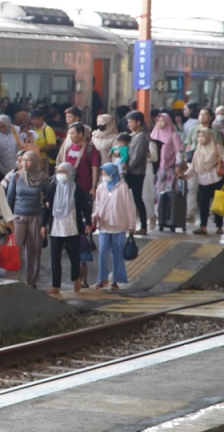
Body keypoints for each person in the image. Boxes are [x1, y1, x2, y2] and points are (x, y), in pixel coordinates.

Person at [44, 161, 90, 297]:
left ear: (70, 173)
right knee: (55, 257)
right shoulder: (53, 188)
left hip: (71, 227)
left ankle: (76, 279)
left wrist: (88, 223)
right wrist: (43, 225)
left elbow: (85, 207)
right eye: (58, 172)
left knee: (74, 256)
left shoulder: (77, 189)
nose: (60, 175)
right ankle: (55, 285)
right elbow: (47, 207)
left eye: (63, 172)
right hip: (56, 227)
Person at [7, 151, 48, 287]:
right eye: (23, 160)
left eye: (29, 160)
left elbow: (48, 199)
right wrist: (8, 219)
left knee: (34, 250)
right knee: (15, 248)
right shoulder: (16, 177)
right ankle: (12, 280)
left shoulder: (43, 178)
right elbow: (10, 199)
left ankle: (32, 281)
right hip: (18, 216)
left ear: (35, 162)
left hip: (35, 216)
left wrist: (45, 223)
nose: (25, 163)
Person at [91, 163, 133, 291]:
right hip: (104, 226)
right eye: (102, 174)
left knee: (117, 254)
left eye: (106, 174)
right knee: (102, 253)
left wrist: (131, 224)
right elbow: (97, 205)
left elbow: (129, 206)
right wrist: (95, 214)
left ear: (113, 174)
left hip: (119, 226)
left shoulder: (123, 187)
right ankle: (102, 279)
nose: (104, 177)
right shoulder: (100, 188)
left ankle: (115, 280)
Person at [188, 128, 224, 236]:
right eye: (198, 137)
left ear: (208, 136)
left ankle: (219, 226)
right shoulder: (197, 151)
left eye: (202, 136)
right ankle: (203, 227)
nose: (200, 139)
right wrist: (186, 175)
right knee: (203, 204)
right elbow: (194, 166)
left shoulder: (217, 147)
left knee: (217, 205)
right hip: (203, 181)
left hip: (216, 179)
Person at [150, 112, 185, 224]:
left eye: (162, 121)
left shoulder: (173, 134)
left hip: (169, 168)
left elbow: (179, 150)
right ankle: (157, 214)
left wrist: (178, 165)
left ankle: (166, 215)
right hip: (156, 168)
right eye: (158, 120)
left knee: (167, 191)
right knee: (156, 191)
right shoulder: (154, 133)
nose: (160, 123)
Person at [124, 111, 150, 235]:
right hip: (129, 171)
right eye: (128, 122)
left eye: (131, 122)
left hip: (136, 173)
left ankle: (144, 226)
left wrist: (127, 168)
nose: (129, 124)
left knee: (137, 198)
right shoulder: (131, 136)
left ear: (139, 123)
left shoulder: (141, 137)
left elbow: (137, 156)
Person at [62, 123, 101, 195]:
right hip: (69, 185)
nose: (70, 136)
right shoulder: (70, 146)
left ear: (80, 134)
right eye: (69, 133)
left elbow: (94, 168)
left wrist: (94, 187)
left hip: (84, 187)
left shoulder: (90, 148)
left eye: (72, 133)